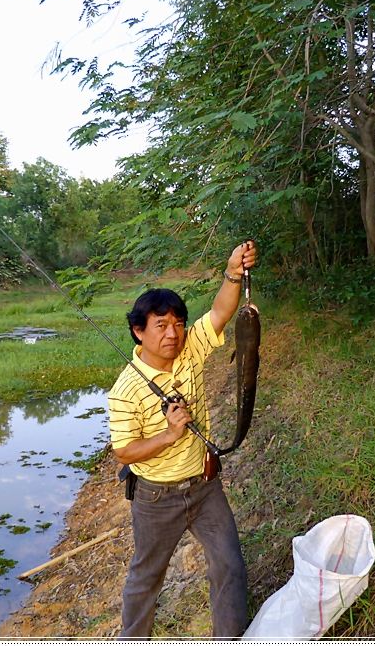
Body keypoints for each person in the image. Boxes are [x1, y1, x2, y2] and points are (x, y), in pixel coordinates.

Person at [108, 240, 258, 638]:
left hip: (205, 486)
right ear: (139, 332)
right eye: (161, 325)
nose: (172, 334)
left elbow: (222, 313)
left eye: (177, 323)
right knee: (146, 580)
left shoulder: (190, 348)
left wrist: (233, 271)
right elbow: (124, 450)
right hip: (156, 498)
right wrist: (170, 434)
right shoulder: (124, 391)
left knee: (229, 564)